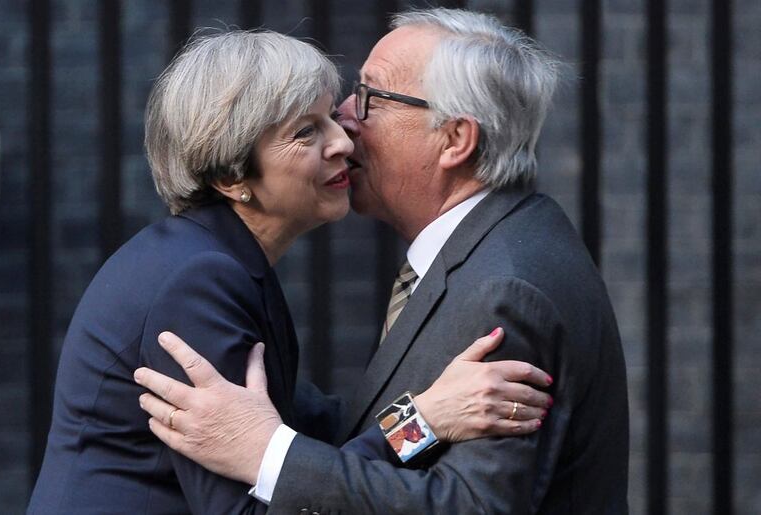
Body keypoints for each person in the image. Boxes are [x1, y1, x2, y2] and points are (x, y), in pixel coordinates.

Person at [27, 29, 552, 514]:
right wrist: (424, 422)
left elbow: (315, 431)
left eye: (330, 116)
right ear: (233, 175)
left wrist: (430, 408)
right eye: (306, 132)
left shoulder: (214, 259)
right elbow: (255, 504)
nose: (343, 141)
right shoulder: (197, 282)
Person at [134, 8, 630, 514]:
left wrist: (269, 456)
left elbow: (469, 505)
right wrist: (423, 417)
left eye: (372, 97)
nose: (345, 119)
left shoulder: (503, 292)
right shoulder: (500, 245)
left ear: (455, 139)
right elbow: (371, 430)